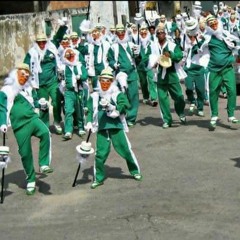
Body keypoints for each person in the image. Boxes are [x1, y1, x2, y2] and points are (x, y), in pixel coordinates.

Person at [0, 63, 53, 195]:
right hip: (19, 125)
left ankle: (44, 163)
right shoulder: (6, 90)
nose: (24, 77)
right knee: (25, 153)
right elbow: (2, 107)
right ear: (16, 73)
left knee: (46, 132)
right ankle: (30, 179)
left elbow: (35, 102)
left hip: (32, 119)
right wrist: (2, 123)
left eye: (27, 75)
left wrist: (42, 104)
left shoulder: (29, 88)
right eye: (22, 74)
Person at [85, 68, 142, 189]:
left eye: (107, 81)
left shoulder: (116, 94)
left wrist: (115, 109)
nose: (104, 84)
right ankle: (98, 178)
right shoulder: (94, 96)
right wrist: (89, 122)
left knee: (125, 150)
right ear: (99, 81)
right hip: (101, 128)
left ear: (111, 82)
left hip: (116, 127)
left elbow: (125, 104)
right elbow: (89, 110)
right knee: (100, 154)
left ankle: (135, 171)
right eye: (102, 81)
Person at [200, 14, 240, 130]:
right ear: (209, 26)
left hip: (227, 68)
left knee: (232, 91)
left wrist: (235, 50)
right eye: (211, 24)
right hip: (214, 69)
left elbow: (237, 43)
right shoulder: (207, 38)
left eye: (215, 23)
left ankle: (231, 115)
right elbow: (199, 49)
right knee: (213, 92)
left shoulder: (226, 34)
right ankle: (214, 115)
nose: (214, 25)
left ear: (219, 23)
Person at [148, 25, 186, 129]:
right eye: (158, 33)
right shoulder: (153, 46)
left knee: (179, 97)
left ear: (165, 34)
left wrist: (171, 55)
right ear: (156, 35)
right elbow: (148, 57)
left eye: (162, 33)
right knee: (163, 99)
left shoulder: (172, 45)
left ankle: (181, 112)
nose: (160, 34)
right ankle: (167, 120)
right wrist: (153, 63)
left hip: (171, 74)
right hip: (160, 76)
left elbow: (179, 56)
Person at [109, 24, 140, 127]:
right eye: (118, 33)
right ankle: (122, 115)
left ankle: (131, 117)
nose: (121, 35)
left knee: (133, 95)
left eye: (122, 33)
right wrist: (114, 64)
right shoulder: (113, 47)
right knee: (122, 96)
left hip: (132, 73)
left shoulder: (131, 45)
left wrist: (138, 54)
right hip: (120, 74)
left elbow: (139, 60)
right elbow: (110, 59)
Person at [60, 47, 88, 140]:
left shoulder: (79, 65)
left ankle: (81, 127)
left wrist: (80, 77)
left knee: (79, 109)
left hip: (78, 91)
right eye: (68, 55)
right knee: (68, 110)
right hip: (68, 92)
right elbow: (59, 79)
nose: (70, 57)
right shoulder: (63, 67)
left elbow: (85, 75)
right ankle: (68, 130)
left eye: (72, 55)